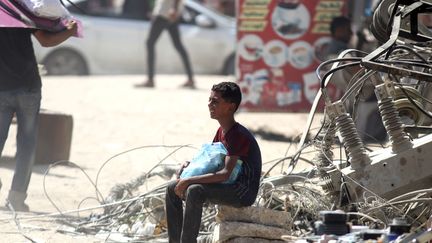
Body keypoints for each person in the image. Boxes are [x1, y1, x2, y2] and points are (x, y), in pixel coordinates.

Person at [165, 82, 262, 242]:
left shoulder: (237, 136)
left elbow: (225, 174)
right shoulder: (221, 131)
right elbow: (209, 161)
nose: (210, 104)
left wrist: (188, 180)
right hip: (227, 185)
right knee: (172, 187)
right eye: (209, 100)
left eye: (215, 101)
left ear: (230, 107)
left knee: (195, 190)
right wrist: (189, 166)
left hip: (241, 191)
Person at [0, 23, 78, 211]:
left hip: (2, 88)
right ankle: (16, 199)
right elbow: (46, 40)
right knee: (27, 145)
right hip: (28, 87)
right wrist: (69, 32)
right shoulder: (21, 10)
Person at [322, 16, 386, 142]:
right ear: (339, 31)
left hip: (353, 92)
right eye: (348, 30)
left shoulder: (332, 49)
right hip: (364, 94)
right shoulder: (342, 52)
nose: (351, 33)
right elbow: (356, 69)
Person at [135, 0, 195, 89]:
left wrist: (173, 9)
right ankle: (190, 79)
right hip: (169, 14)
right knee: (178, 46)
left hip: (164, 14)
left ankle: (150, 80)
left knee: (150, 43)